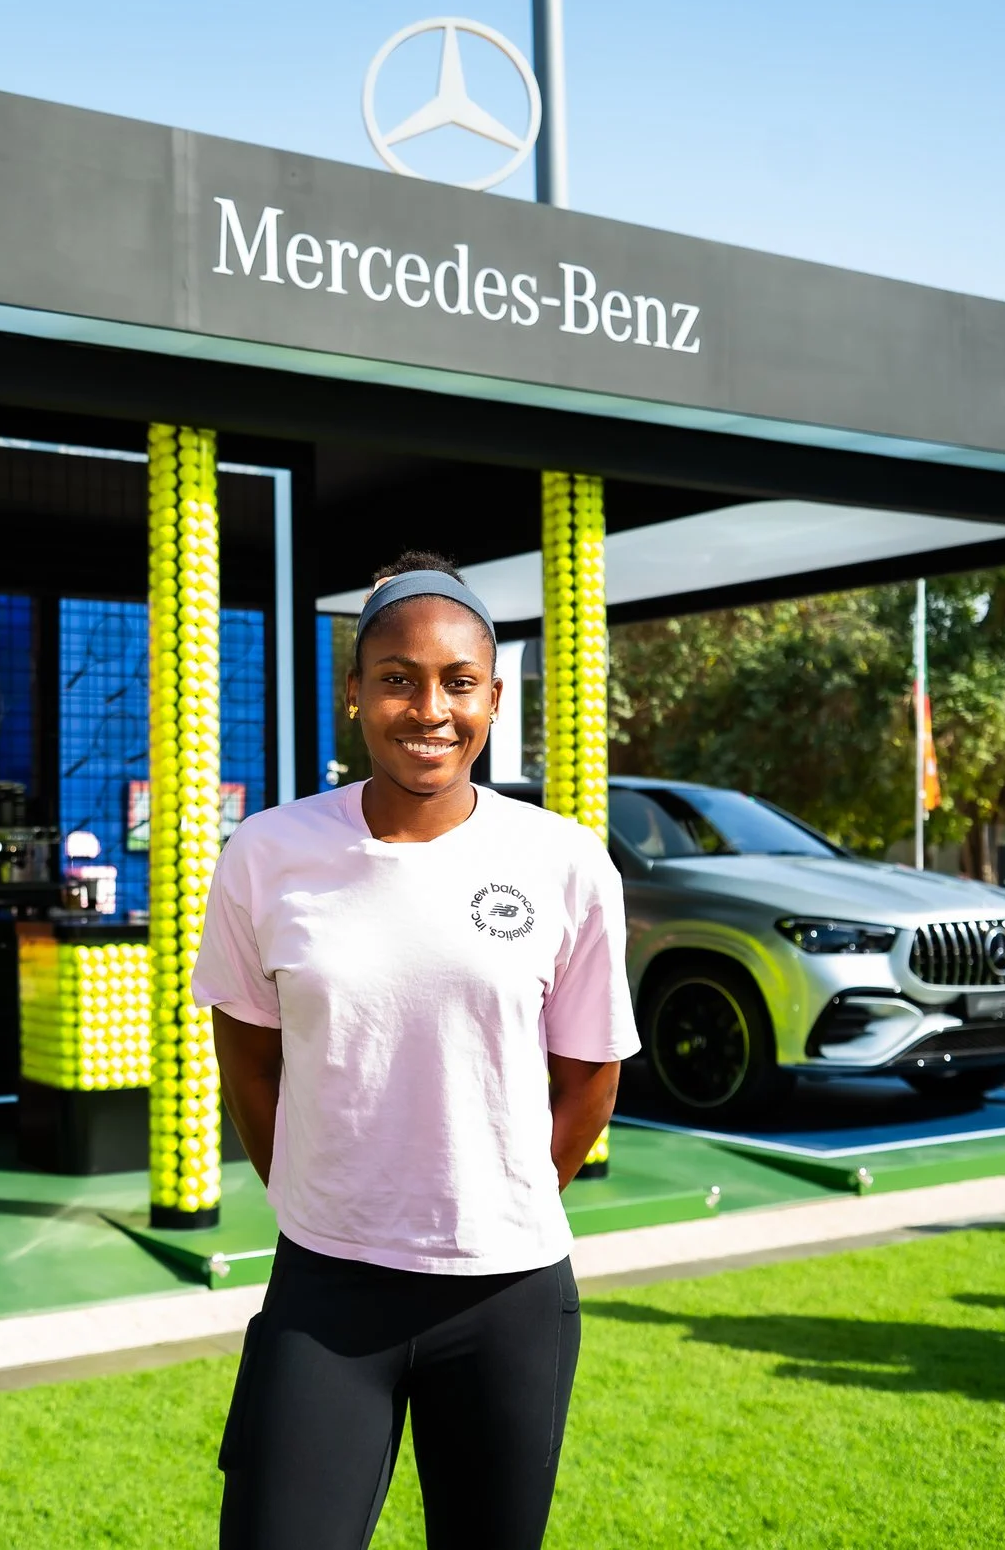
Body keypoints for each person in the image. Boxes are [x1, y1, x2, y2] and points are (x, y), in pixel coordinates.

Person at [195, 552, 637, 1550]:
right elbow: (249, 1063)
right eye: (396, 677)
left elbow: (590, 1073)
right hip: (325, 1286)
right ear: (353, 693)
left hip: (508, 1294)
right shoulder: (267, 853)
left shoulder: (563, 860)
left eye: (456, 681)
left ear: (490, 695)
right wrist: (322, 1198)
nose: (427, 707)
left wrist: (507, 1196)